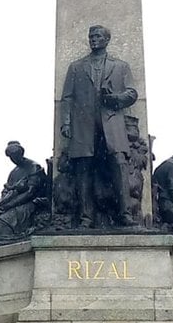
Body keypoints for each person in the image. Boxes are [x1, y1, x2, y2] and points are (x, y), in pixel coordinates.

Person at [59, 25, 138, 227]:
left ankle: (125, 213)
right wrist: (66, 123)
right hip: (83, 124)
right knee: (83, 167)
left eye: (98, 36)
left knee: (119, 163)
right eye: (91, 36)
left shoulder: (120, 66)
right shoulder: (76, 67)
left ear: (107, 40)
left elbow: (131, 93)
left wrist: (115, 98)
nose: (94, 39)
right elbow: (67, 98)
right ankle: (86, 217)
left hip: (111, 124)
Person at [0, 141, 48, 241]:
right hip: (12, 203)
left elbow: (30, 193)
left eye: (15, 156)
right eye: (11, 157)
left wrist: (8, 205)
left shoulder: (33, 167)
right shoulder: (14, 172)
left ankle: (6, 236)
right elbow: (7, 191)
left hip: (29, 204)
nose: (13, 159)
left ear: (21, 154)